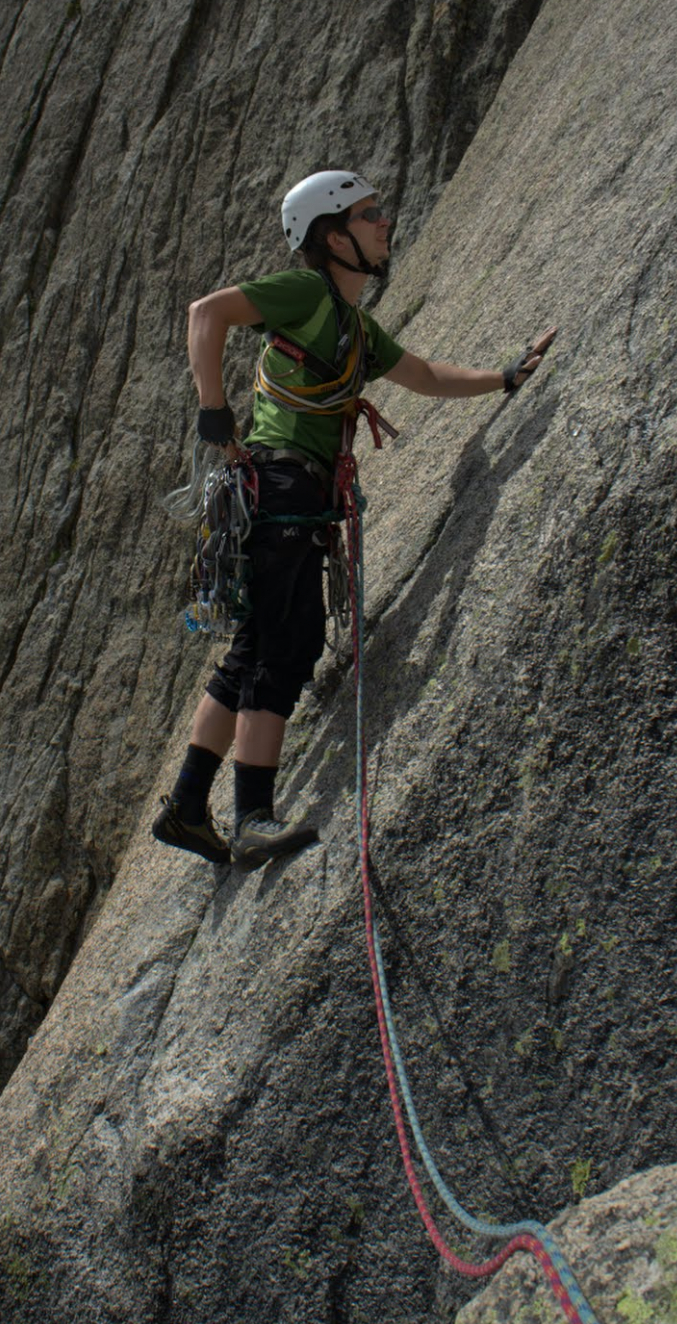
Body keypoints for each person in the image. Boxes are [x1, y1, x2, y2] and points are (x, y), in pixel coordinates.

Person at [153, 170, 554, 871]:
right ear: (334, 236)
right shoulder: (307, 292)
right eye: (372, 215)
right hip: (280, 486)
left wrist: (505, 378)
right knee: (290, 640)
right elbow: (205, 314)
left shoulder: (358, 330)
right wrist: (214, 413)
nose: (385, 223)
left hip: (288, 494)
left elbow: (425, 375)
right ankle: (250, 817)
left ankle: (189, 806)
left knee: (253, 648)